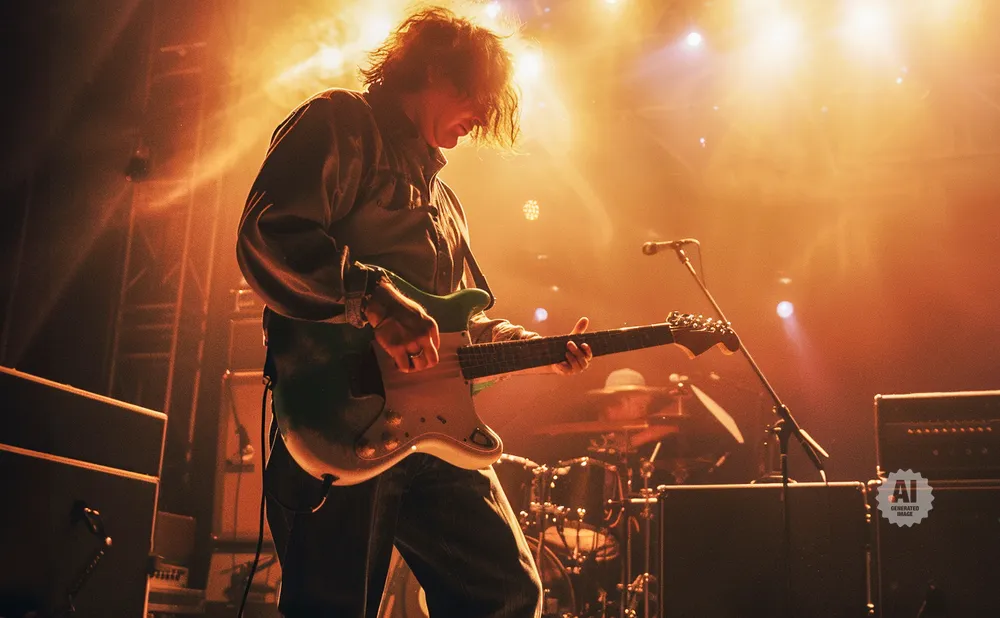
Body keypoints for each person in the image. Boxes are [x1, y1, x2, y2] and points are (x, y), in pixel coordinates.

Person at [236, 7, 593, 618]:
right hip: (339, 419)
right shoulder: (339, 122)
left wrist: (525, 346)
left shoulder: (446, 202)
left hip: (437, 434)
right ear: (433, 69)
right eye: (477, 96)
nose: (482, 117)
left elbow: (452, 325)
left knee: (506, 597)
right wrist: (374, 299)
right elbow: (270, 233)